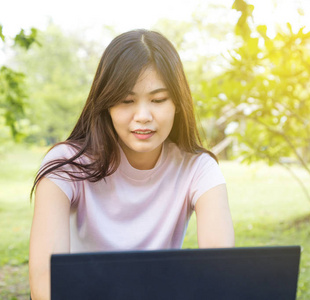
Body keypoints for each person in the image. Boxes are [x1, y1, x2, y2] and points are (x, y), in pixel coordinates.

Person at [28, 29, 234, 300]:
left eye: (158, 100)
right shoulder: (67, 164)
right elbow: (45, 279)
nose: (143, 116)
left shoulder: (198, 168)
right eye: (127, 101)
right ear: (106, 104)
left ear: (177, 104)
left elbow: (220, 271)